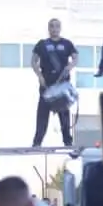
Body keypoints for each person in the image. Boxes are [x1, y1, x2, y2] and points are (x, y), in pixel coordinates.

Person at [30, 18, 78, 148]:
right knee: (42, 114)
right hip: (46, 84)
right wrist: (39, 76)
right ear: (48, 28)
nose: (54, 29)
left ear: (60, 28)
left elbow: (75, 58)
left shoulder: (67, 43)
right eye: (51, 26)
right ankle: (37, 142)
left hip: (61, 84)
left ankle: (67, 142)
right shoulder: (42, 44)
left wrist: (70, 67)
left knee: (64, 114)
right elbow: (33, 61)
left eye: (57, 26)